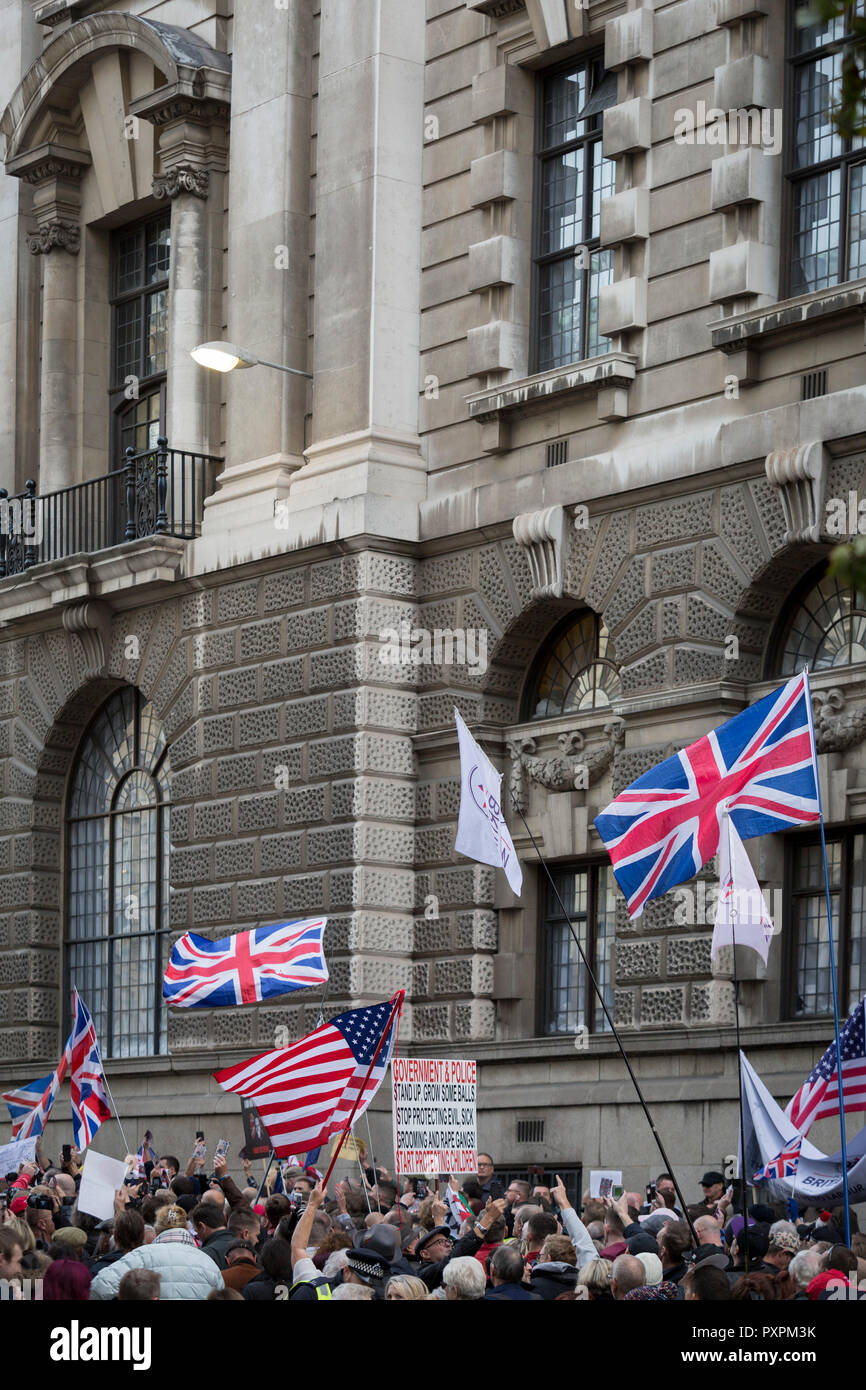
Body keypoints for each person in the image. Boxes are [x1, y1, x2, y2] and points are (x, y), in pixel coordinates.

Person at [90, 1192, 224, 1301]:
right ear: (186, 1227)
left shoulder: (141, 1255)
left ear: (157, 1229)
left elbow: (99, 1287)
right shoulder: (208, 1263)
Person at [191, 1202, 235, 1270]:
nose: (197, 1236)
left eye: (196, 1231)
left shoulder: (204, 1255)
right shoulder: (245, 1246)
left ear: (202, 1227)